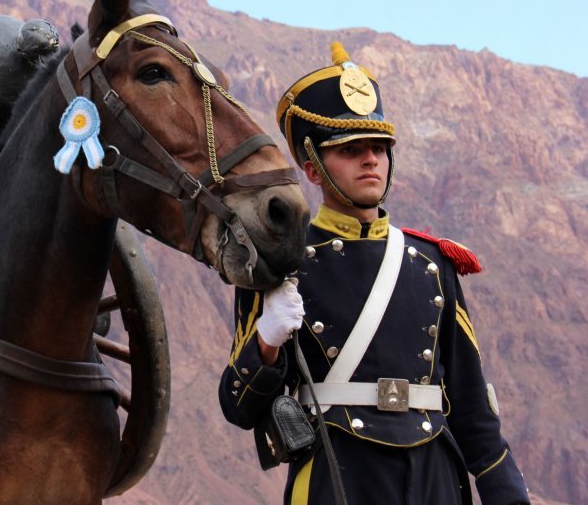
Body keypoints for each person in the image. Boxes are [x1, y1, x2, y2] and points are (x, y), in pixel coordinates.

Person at [218, 42, 530, 504]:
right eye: (351, 149)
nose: (371, 160)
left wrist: (508, 495)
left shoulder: (432, 263)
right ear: (313, 167)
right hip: (337, 473)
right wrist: (265, 340)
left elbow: (471, 407)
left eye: (380, 148)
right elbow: (238, 407)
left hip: (435, 478)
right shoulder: (280, 263)